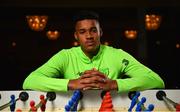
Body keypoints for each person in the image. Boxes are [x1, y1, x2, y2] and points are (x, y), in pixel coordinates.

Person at [22, 10, 165, 93]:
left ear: (100, 32)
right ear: (76, 36)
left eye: (93, 30)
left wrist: (114, 84)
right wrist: (72, 83)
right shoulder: (65, 56)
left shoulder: (117, 55)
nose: (89, 36)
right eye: (82, 32)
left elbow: (156, 81)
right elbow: (30, 81)